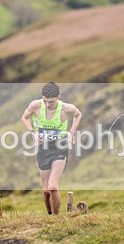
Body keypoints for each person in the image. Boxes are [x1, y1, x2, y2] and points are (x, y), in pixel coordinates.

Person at [20, 82, 82, 215]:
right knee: (46, 191)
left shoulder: (66, 108)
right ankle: (50, 216)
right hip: (43, 149)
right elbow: (24, 118)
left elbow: (78, 115)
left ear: (58, 97)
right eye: (45, 101)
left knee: (53, 186)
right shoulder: (35, 105)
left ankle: (56, 218)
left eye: (51, 102)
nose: (48, 104)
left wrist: (71, 132)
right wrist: (33, 134)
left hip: (60, 147)